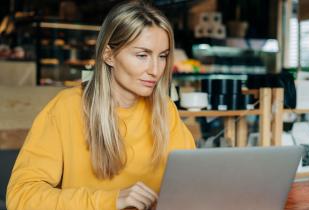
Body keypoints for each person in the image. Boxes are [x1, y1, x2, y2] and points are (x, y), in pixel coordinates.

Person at [6, 1, 195, 210]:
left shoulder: (164, 110)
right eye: (142, 55)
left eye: (163, 56)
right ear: (108, 55)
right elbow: (21, 197)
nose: (155, 70)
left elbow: (194, 187)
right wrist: (111, 201)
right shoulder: (66, 108)